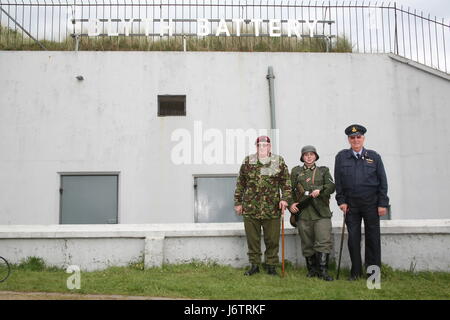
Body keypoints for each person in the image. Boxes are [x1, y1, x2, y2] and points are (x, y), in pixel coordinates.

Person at [334, 124, 389, 281]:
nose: (356, 140)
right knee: (353, 239)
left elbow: (383, 182)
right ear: (348, 140)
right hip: (351, 205)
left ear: (363, 138)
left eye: (358, 137)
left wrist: (382, 203)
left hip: (371, 204)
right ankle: (356, 273)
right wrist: (341, 201)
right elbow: (339, 182)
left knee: (373, 239)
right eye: (352, 137)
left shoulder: (374, 157)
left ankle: (373, 274)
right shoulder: (341, 157)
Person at [234, 136, 291, 276]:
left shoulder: (278, 161)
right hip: (250, 208)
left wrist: (285, 199)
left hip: (272, 208)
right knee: (252, 239)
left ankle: (271, 266)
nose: (262, 147)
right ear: (256, 146)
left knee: (272, 240)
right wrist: (238, 202)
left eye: (265, 145)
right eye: (260, 145)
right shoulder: (248, 161)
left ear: (270, 147)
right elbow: (241, 182)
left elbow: (286, 183)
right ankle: (254, 265)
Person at [289, 145, 336, 281]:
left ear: (316, 156)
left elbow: (332, 186)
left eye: (311, 154)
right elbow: (289, 191)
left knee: (323, 241)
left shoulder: (323, 171)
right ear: (302, 157)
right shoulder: (296, 172)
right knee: (307, 243)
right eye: (306, 155)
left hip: (321, 213)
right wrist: (291, 204)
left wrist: (320, 190)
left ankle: (323, 271)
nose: (309, 157)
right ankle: (312, 270)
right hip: (303, 213)